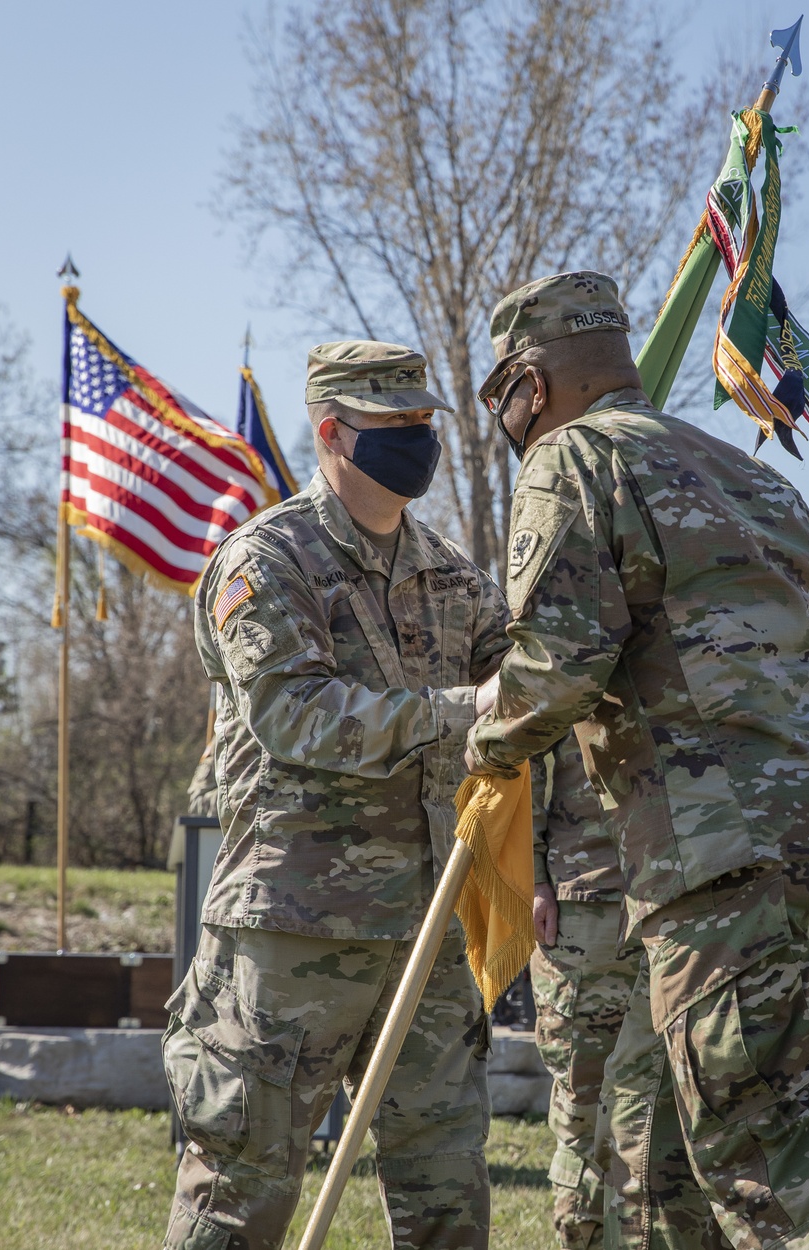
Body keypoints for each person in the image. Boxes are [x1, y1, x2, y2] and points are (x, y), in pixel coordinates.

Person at [466, 271, 809, 1250]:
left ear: (532, 384)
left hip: (711, 843)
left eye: (504, 396)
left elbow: (558, 667)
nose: (508, 421)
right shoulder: (741, 470)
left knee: (771, 1155)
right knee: (689, 1144)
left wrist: (480, 734)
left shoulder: (570, 460)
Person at [162, 340, 509, 1250]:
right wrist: (464, 708)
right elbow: (294, 715)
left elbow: (528, 681)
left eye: (424, 422)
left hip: (428, 928)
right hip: (291, 929)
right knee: (241, 1188)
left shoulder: (453, 574)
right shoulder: (266, 561)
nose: (419, 441)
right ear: (332, 432)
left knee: (448, 1189)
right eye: (396, 425)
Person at [530, 732, 639, 1250]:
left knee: (685, 1106)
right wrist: (531, 876)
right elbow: (517, 741)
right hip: (591, 902)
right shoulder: (571, 645)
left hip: (694, 900)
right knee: (587, 1107)